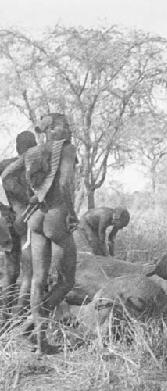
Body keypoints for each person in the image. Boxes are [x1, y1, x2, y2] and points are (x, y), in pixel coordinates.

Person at [21, 113, 79, 353]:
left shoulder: (33, 152)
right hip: (56, 215)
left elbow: (14, 178)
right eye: (65, 125)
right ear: (53, 128)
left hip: (35, 217)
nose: (69, 129)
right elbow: (65, 183)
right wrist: (72, 212)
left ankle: (39, 339)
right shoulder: (66, 149)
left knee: (38, 279)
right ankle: (36, 320)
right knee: (67, 280)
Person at [0, 131, 37, 319]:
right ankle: (18, 318)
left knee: (10, 271)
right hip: (26, 219)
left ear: (17, 147)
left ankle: (4, 318)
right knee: (28, 273)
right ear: (33, 146)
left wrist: (3, 210)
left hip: (8, 220)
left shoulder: (5, 165)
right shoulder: (33, 166)